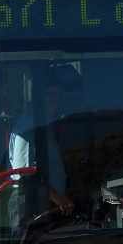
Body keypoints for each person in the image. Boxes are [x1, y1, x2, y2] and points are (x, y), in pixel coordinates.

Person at [8, 79, 74, 219]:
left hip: (45, 200)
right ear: (37, 97)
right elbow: (26, 172)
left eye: (56, 95)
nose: (52, 99)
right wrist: (57, 198)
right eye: (48, 94)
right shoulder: (29, 123)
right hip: (29, 201)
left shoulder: (44, 121)